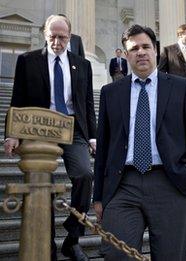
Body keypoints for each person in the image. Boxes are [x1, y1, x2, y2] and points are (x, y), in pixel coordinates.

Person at [93, 24, 186, 261]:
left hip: (171, 183)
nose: (141, 52)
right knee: (116, 255)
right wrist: (98, 196)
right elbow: (103, 147)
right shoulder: (110, 92)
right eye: (134, 48)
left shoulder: (182, 88)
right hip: (124, 184)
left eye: (146, 46)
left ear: (155, 50)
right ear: (126, 55)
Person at [4, 14, 96, 260]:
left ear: (70, 37)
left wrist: (93, 136)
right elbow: (17, 99)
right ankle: (46, 244)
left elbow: (87, 103)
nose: (57, 42)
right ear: (45, 34)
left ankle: (72, 237)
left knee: (85, 175)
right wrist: (12, 133)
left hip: (72, 129)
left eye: (62, 37)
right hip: (38, 128)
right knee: (41, 184)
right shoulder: (28, 60)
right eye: (52, 36)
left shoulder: (82, 64)